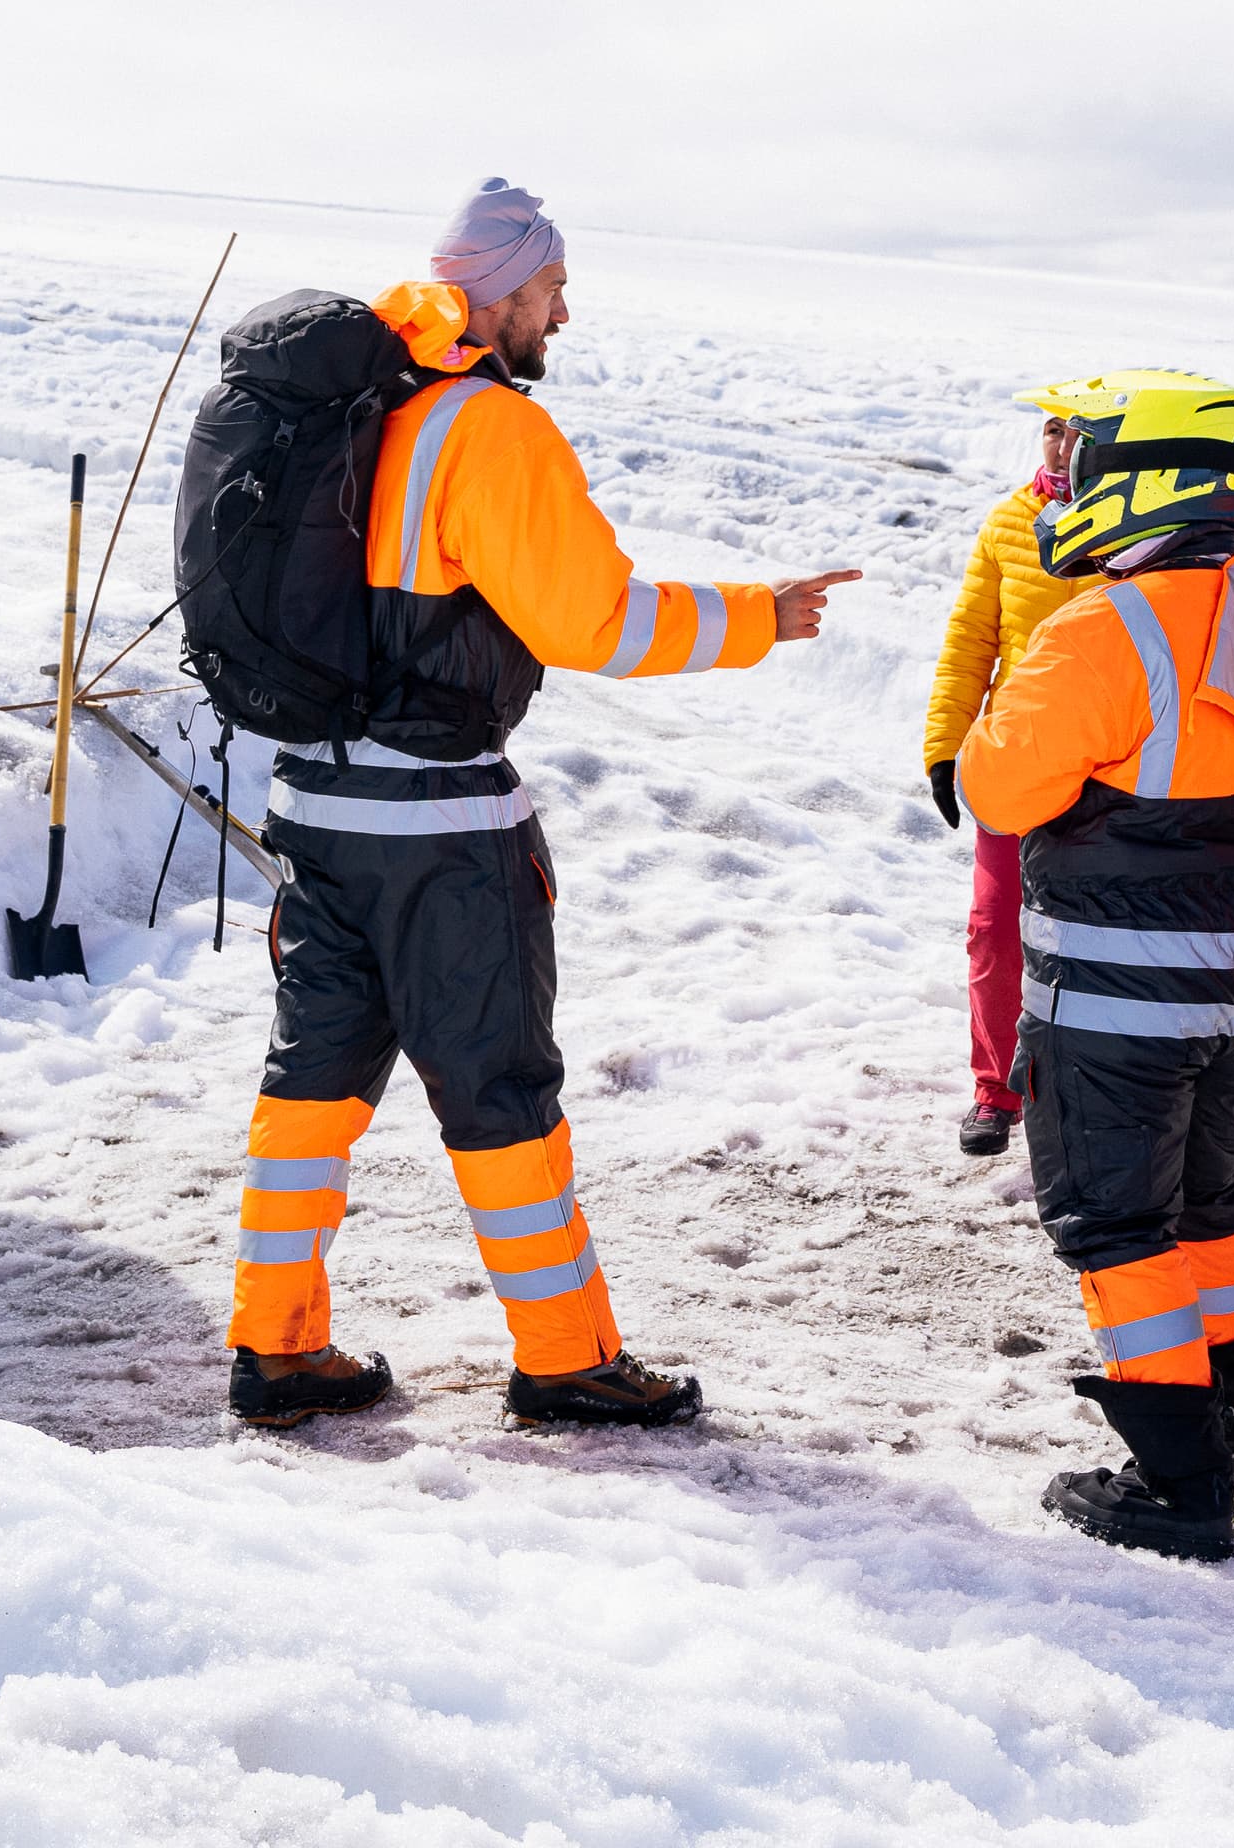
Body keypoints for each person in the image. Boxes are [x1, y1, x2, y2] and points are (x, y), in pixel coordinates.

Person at [227, 179, 859, 1431]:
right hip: (442, 831)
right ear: (500, 290)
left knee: (310, 1087)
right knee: (502, 1095)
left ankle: (275, 1344)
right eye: (553, 289)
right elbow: (594, 622)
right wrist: (758, 617)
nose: (565, 313)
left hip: (316, 806)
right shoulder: (490, 429)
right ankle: (566, 1356)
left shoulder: (370, 407)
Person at [957, 371, 1234, 1561]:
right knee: (1205, 1196)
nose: (1071, 480)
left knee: (1111, 1220)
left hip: (1118, 976)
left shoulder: (1100, 625)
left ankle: (1178, 1481)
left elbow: (998, 785)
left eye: (1089, 459)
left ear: (1144, 483)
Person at [921, 399, 1089, 1155]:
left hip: (1101, 773)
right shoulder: (1007, 522)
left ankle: (1084, 1092)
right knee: (995, 930)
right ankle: (996, 1092)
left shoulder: (1135, 540)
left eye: (1080, 433)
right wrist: (944, 745)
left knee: (1089, 942)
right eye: (1053, 428)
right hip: (1013, 760)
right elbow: (970, 640)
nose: (1061, 445)